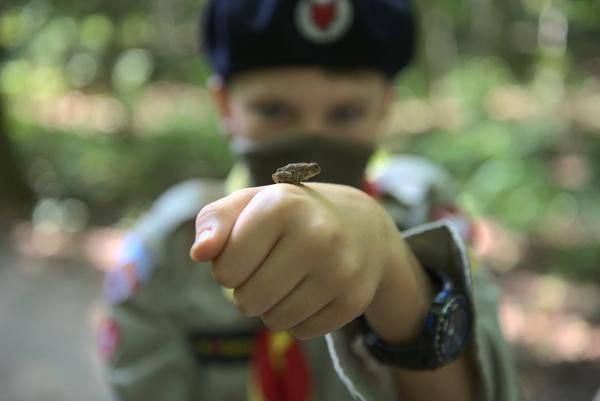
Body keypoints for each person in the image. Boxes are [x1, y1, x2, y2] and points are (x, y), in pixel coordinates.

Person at [97, 1, 521, 400]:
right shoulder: (174, 248)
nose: (313, 138)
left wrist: (395, 269)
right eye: (275, 111)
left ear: (385, 108)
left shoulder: (424, 214)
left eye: (345, 114)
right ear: (225, 105)